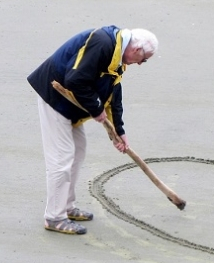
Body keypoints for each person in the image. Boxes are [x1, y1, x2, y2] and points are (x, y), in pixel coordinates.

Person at [27, 26, 158, 235]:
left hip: (71, 106)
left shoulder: (117, 55)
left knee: (78, 152)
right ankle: (54, 217)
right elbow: (74, 79)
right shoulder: (103, 43)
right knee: (61, 159)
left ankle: (66, 207)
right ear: (136, 50)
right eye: (144, 59)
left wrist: (118, 131)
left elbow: (113, 92)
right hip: (55, 99)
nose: (141, 64)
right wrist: (97, 110)